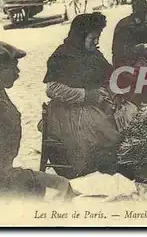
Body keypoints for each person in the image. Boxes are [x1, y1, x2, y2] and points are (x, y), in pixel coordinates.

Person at [0, 41, 74, 199]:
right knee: (60, 188)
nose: (18, 72)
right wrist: (30, 179)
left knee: (60, 186)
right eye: (13, 67)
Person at [43, 13, 123, 179]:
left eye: (98, 38)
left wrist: (114, 92)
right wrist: (87, 95)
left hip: (95, 103)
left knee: (127, 115)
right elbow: (52, 89)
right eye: (92, 38)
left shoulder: (94, 54)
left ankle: (114, 166)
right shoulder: (63, 55)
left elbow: (109, 75)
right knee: (104, 131)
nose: (96, 43)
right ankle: (95, 171)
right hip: (68, 110)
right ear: (80, 36)